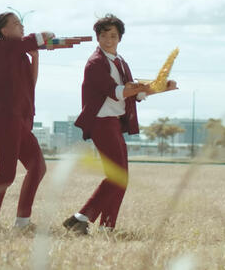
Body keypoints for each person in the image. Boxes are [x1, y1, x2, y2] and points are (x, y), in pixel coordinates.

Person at [63, 14, 177, 235]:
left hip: (114, 123)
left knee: (121, 178)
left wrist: (161, 87)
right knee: (118, 177)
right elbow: (118, 91)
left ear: (120, 38)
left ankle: (106, 227)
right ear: (98, 37)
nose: (108, 40)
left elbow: (135, 93)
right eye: (104, 35)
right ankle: (80, 219)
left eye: (113, 36)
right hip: (101, 122)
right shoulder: (95, 63)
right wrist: (148, 86)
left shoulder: (121, 62)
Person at [0, 12, 54, 233]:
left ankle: (22, 221)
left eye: (21, 23)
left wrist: (36, 58)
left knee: (38, 167)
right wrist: (43, 37)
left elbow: (31, 82)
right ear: (3, 31)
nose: (21, 26)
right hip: (7, 119)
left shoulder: (19, 52)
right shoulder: (4, 48)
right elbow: (44, 35)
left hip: (21, 119)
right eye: (15, 23)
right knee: (6, 173)